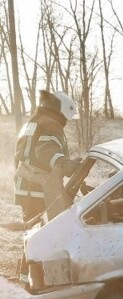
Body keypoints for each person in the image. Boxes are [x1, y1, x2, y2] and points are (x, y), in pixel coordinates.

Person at [14, 90, 81, 223]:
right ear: (62, 112)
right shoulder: (51, 124)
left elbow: (21, 155)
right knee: (46, 231)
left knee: (33, 228)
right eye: (67, 118)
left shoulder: (33, 121)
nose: (67, 121)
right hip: (39, 190)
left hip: (25, 187)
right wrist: (65, 164)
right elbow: (46, 150)